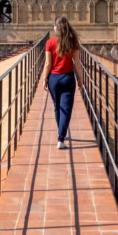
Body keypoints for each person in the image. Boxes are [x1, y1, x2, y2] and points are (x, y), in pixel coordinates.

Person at [41, 16, 83, 149]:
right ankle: (61, 138)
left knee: (57, 107)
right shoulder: (73, 42)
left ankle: (61, 132)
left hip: (54, 78)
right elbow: (77, 63)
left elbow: (48, 63)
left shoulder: (50, 42)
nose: (53, 27)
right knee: (66, 108)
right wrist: (80, 79)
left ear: (58, 28)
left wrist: (44, 78)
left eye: (54, 25)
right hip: (68, 78)